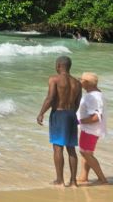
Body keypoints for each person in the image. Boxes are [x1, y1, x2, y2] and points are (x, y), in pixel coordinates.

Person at [37, 56, 82, 187]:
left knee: (58, 148)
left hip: (59, 114)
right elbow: (77, 103)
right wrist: (71, 114)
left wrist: (41, 113)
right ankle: (74, 181)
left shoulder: (54, 79)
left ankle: (60, 180)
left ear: (58, 66)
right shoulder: (77, 83)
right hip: (71, 114)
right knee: (71, 149)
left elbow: (50, 98)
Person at [77, 72, 108, 185]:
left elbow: (96, 117)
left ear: (87, 83)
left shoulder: (92, 96)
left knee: (85, 153)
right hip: (91, 129)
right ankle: (84, 176)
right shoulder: (96, 94)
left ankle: (102, 178)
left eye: (81, 80)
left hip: (91, 129)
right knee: (87, 153)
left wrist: (79, 121)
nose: (80, 81)